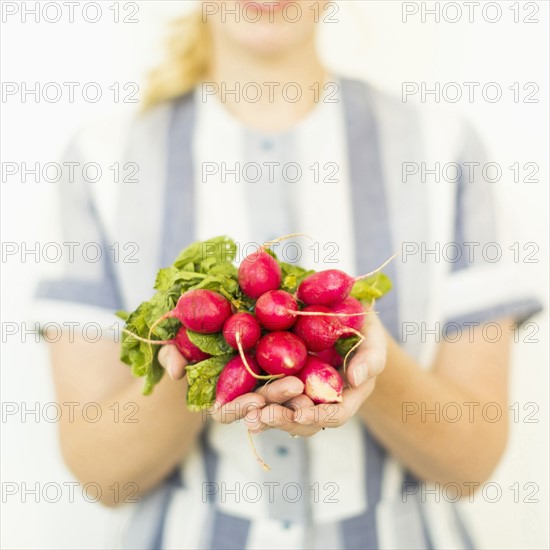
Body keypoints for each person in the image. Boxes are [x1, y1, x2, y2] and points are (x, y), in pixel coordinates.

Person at [37, 2, 542, 548]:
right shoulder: (101, 160)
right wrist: (201, 355)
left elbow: (472, 460)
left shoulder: (443, 148)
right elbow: (101, 474)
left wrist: (367, 359)